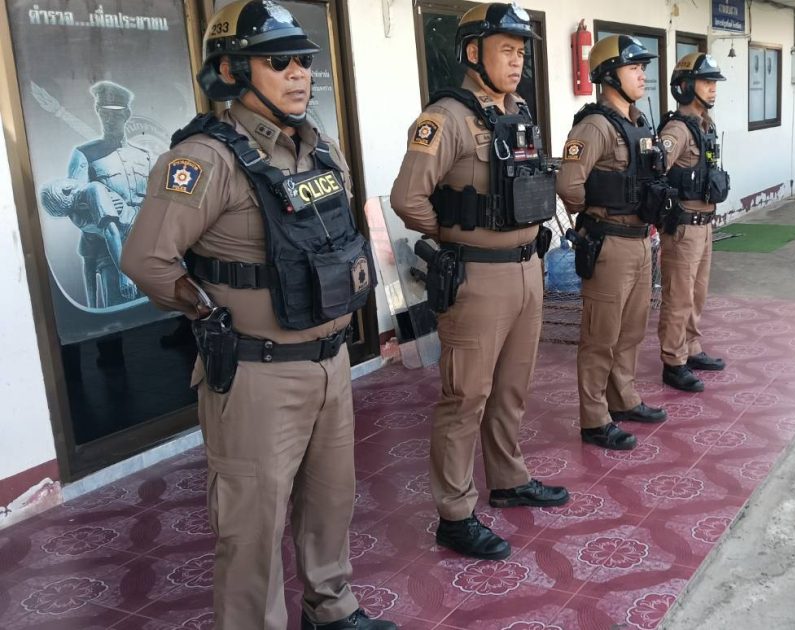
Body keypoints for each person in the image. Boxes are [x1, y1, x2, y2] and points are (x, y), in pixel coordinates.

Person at [120, 2, 393, 628]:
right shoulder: (205, 160)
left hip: (330, 365)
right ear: (231, 71)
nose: (298, 73)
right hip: (256, 374)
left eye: (303, 60)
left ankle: (332, 607)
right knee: (252, 525)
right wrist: (206, 311)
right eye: (278, 62)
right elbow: (147, 259)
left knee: (331, 501)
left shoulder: (319, 148)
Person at [391, 2, 569, 561]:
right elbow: (407, 198)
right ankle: (455, 513)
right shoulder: (445, 118)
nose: (517, 62)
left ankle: (509, 478)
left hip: (527, 268)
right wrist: (457, 232)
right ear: (473, 52)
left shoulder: (519, 112)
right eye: (505, 50)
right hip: (478, 278)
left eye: (521, 52)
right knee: (465, 395)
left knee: (513, 386)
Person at [556, 34, 676, 451]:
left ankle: (622, 398)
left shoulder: (639, 122)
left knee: (631, 330)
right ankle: (594, 418)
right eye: (633, 68)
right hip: (609, 243)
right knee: (600, 336)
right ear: (608, 75)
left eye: (643, 68)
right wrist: (597, 210)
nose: (642, 75)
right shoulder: (594, 127)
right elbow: (568, 185)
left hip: (640, 240)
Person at [657, 53, 731, 393]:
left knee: (697, 293)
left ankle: (691, 346)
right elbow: (655, 169)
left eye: (714, 82)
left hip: (704, 224)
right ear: (685, 86)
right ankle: (673, 361)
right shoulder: (677, 130)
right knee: (679, 296)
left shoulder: (705, 125)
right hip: (683, 226)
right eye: (706, 82)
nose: (713, 88)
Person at [41, 80, 149, 308]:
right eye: (103, 113)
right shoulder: (84, 154)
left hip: (150, 247)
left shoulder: (144, 156)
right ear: (98, 112)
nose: (108, 119)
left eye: (115, 114)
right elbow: (76, 207)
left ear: (127, 114)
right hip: (111, 254)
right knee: (120, 317)